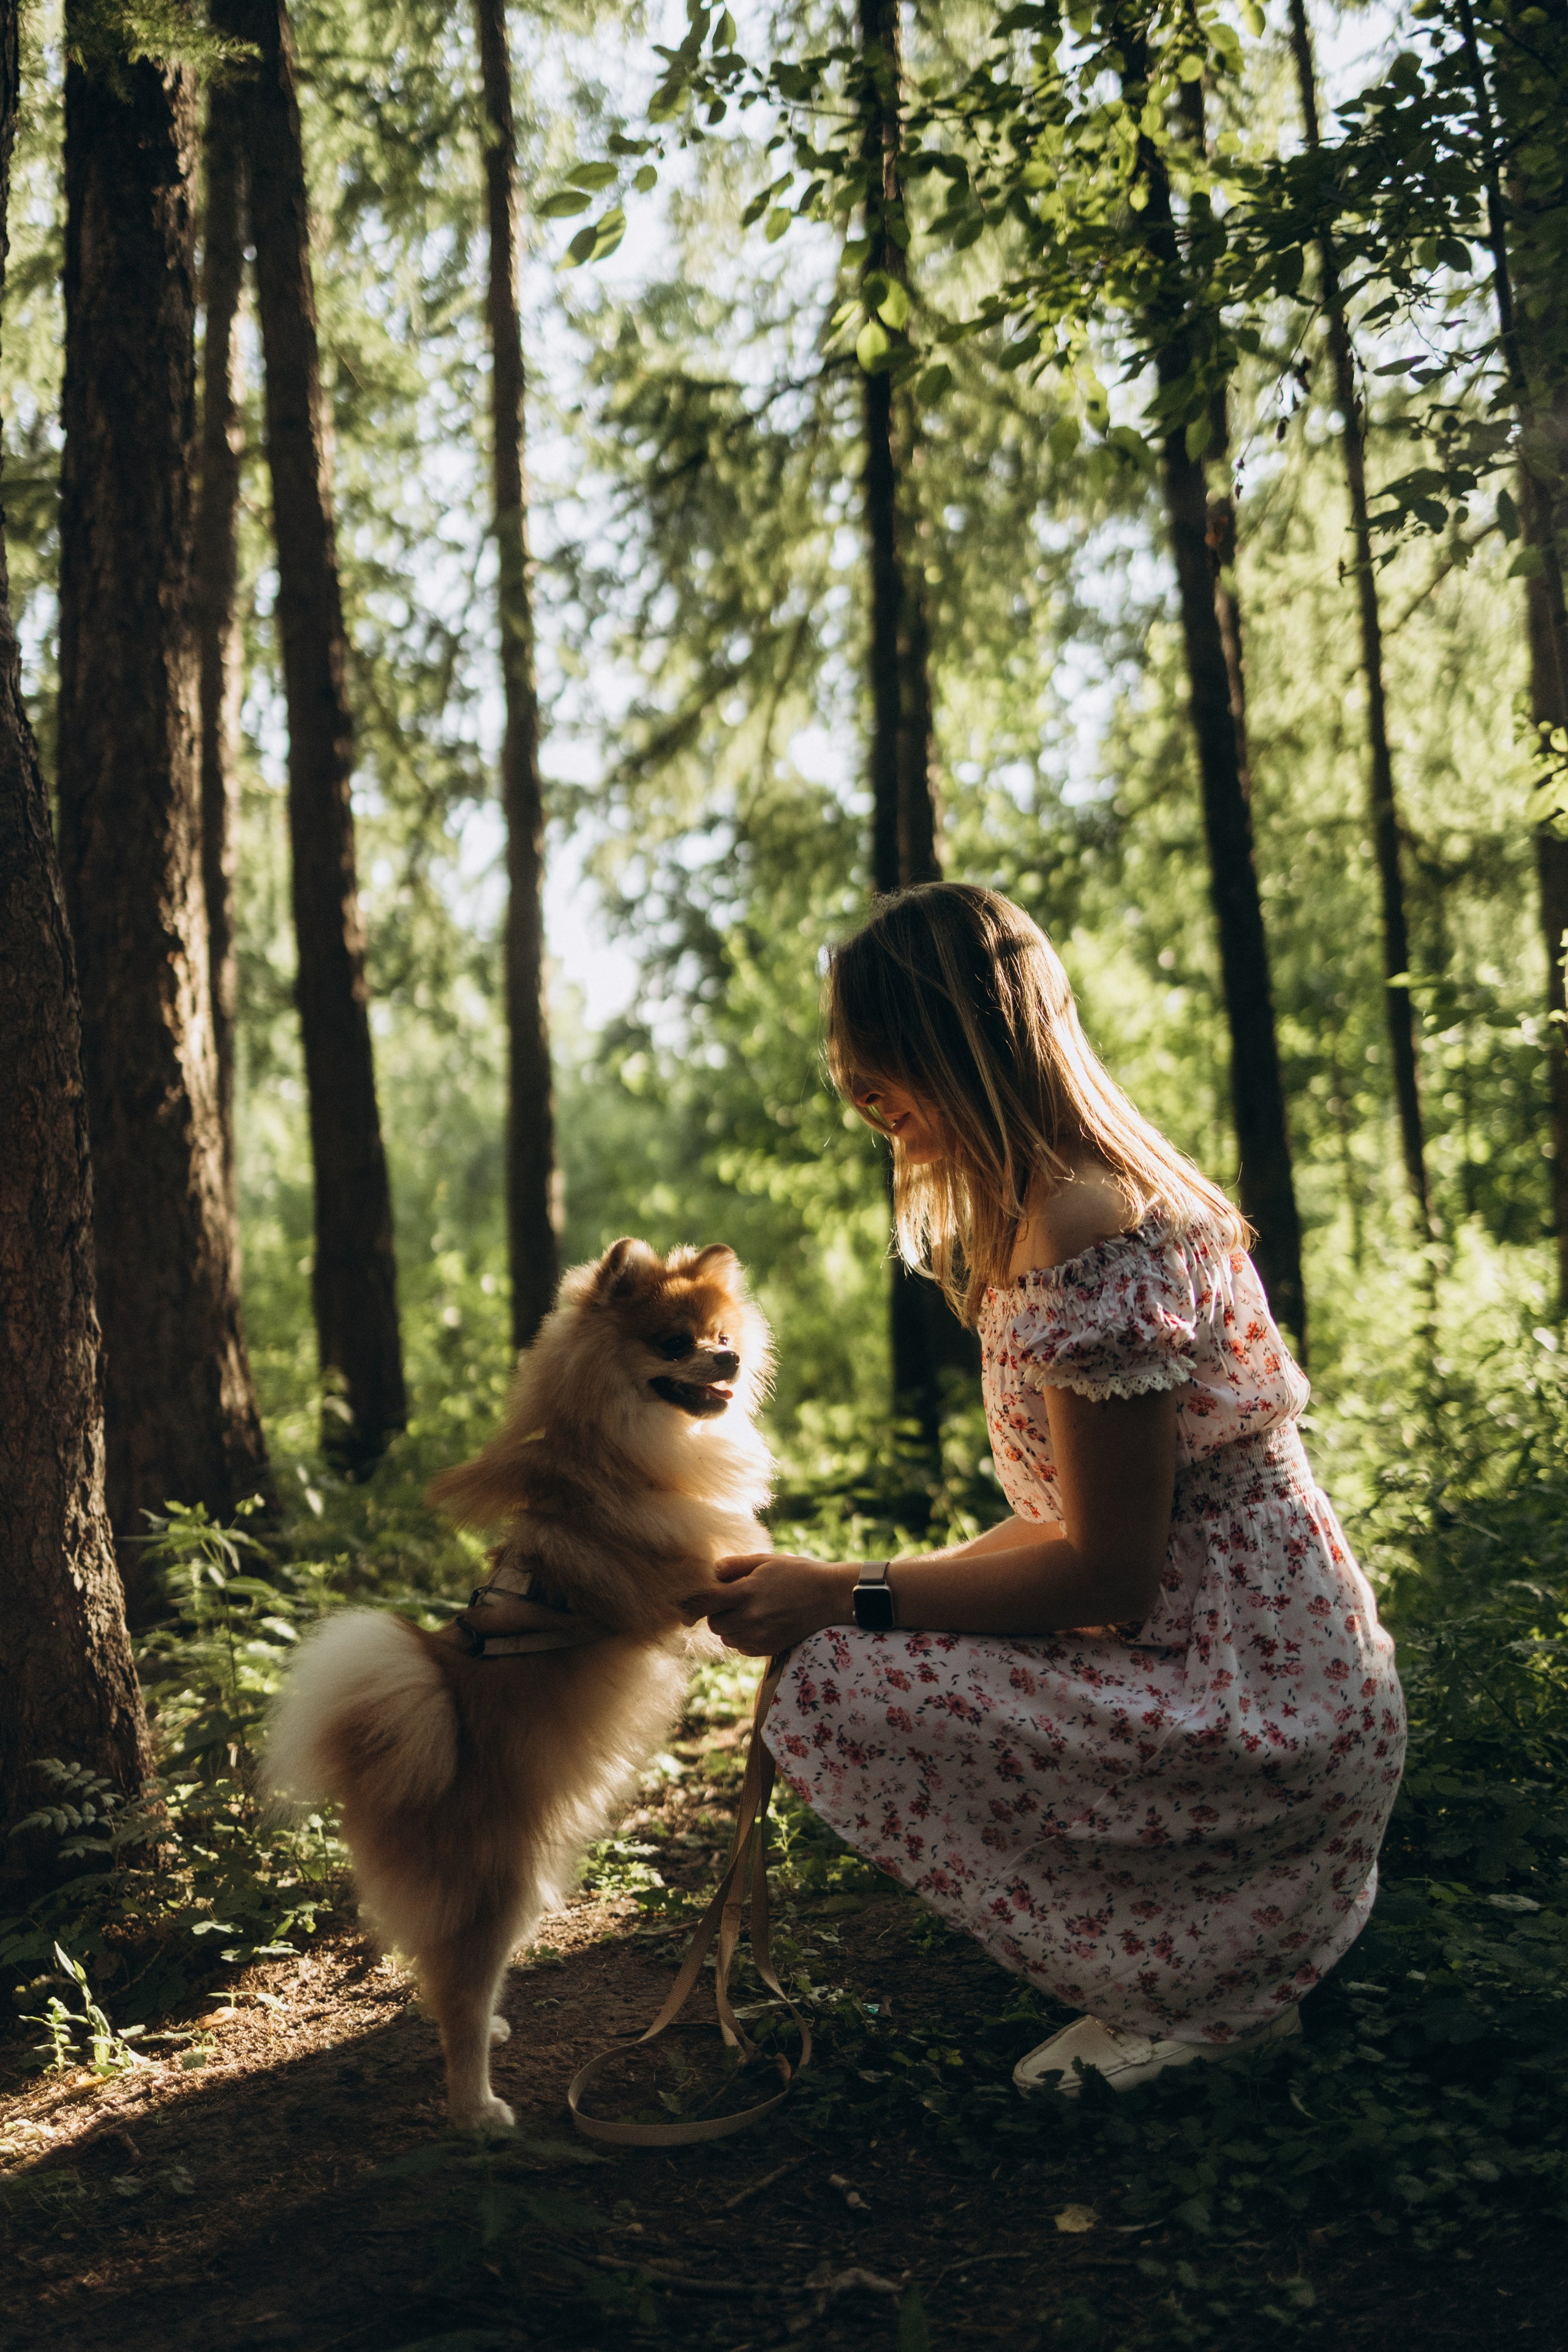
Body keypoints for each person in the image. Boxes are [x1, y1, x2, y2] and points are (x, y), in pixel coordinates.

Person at [706, 883, 1406, 2097]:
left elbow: (1105, 1578)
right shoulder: (1065, 1198)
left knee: (832, 1671)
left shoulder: (1079, 1216)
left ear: (956, 1042)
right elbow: (1061, 1529)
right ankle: (1184, 1947)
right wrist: (826, 1583)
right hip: (1250, 1661)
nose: (858, 1095)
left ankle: (1194, 1989)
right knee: (834, 1635)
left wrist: (838, 1595)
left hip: (1248, 1698)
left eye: (878, 1060)